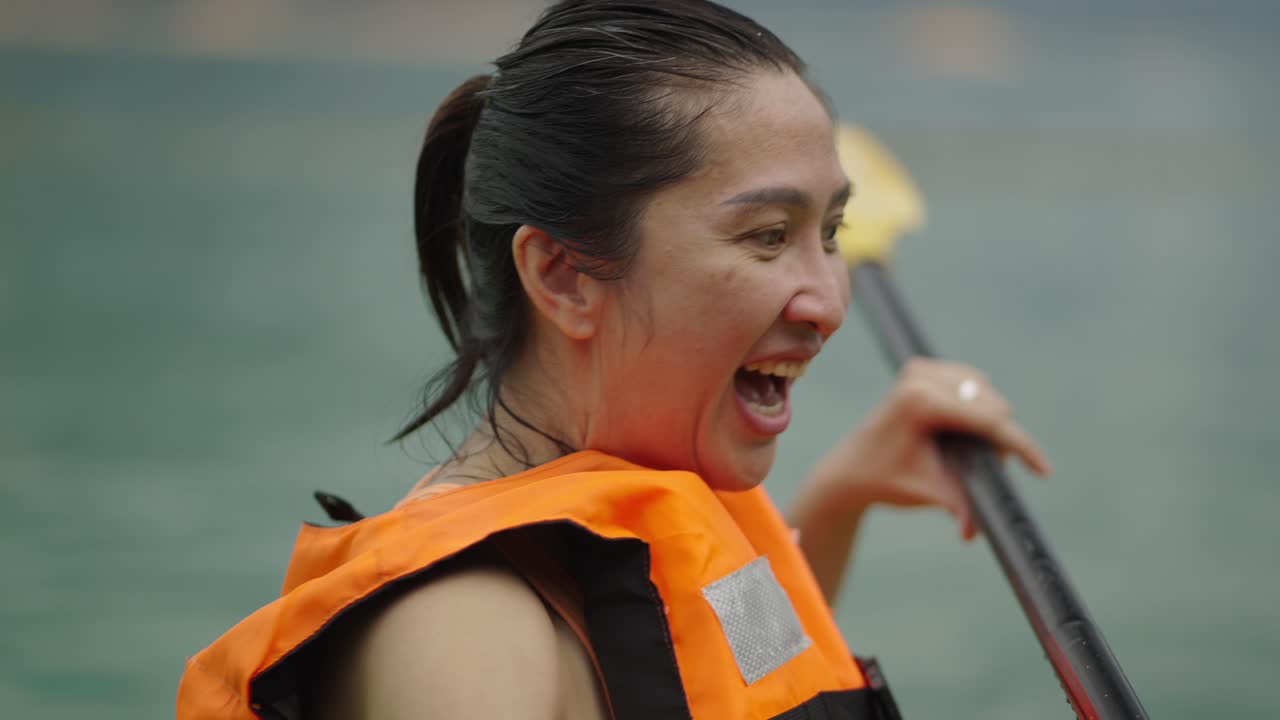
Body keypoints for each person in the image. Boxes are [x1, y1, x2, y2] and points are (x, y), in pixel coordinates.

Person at [177, 1, 1051, 718]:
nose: (826, 301)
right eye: (767, 235)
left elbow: (720, 671)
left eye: (830, 233)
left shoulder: (645, 505)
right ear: (561, 276)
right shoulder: (468, 640)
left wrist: (842, 495)